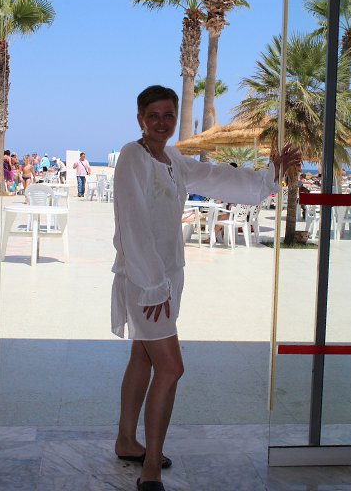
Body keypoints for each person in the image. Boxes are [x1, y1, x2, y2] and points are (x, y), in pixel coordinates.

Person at [112, 85, 301, 491]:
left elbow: (218, 178)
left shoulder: (173, 159)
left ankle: (127, 440)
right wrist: (152, 286)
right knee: (171, 367)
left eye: (169, 115)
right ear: (140, 119)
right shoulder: (132, 156)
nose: (162, 123)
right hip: (146, 280)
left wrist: (269, 175)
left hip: (169, 275)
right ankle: (149, 467)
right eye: (153, 116)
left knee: (143, 356)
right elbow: (132, 222)